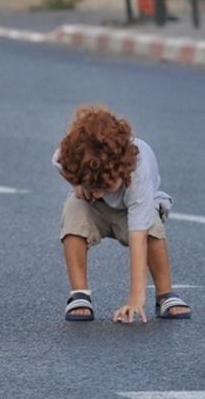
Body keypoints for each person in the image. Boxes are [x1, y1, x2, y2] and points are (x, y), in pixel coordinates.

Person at [54, 105, 191, 323]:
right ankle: (79, 294)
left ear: (121, 170)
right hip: (92, 208)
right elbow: (59, 164)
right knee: (73, 211)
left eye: (105, 187)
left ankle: (165, 294)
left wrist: (136, 299)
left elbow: (138, 238)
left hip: (132, 209)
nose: (98, 193)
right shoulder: (70, 154)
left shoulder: (137, 175)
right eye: (93, 186)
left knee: (152, 231)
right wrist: (78, 185)